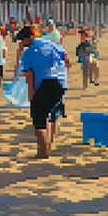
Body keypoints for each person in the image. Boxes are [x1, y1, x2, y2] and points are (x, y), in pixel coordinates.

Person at [16, 27, 71, 158]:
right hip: (61, 84)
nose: (21, 44)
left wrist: (31, 98)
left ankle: (43, 152)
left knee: (39, 119)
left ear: (26, 39)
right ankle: (50, 145)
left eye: (21, 41)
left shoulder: (27, 53)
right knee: (52, 115)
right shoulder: (52, 44)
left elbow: (30, 78)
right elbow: (67, 61)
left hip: (45, 83)